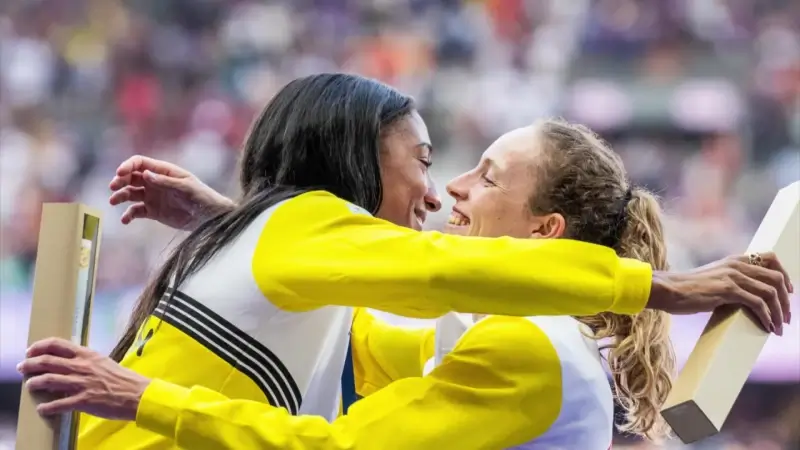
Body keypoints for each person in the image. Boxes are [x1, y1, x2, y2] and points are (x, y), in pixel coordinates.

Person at [20, 118, 794, 449]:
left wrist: (138, 397)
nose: (452, 187)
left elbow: (333, 446)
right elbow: (348, 321)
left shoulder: (534, 347)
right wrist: (231, 226)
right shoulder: (500, 337)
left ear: (543, 236)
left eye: (486, 177)